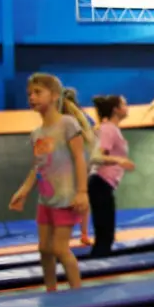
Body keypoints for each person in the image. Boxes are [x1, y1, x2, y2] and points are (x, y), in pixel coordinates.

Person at [9, 73, 94, 292]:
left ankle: (77, 293)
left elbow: (79, 158)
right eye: (29, 94)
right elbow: (38, 167)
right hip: (45, 200)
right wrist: (24, 190)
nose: (32, 97)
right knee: (44, 249)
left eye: (38, 92)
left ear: (54, 95)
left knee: (59, 248)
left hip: (65, 198)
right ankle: (51, 292)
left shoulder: (67, 123)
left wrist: (82, 191)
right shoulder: (37, 133)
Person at [88, 94, 135, 257]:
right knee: (105, 235)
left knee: (105, 234)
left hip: (103, 185)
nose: (127, 107)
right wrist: (120, 160)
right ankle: (97, 268)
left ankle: (97, 264)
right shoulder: (108, 128)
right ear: (116, 109)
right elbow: (96, 157)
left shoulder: (111, 128)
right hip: (100, 183)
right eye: (124, 104)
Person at [63, 87, 96, 246]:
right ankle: (84, 234)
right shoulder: (82, 116)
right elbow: (94, 131)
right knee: (84, 199)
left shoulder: (61, 119)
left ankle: (65, 233)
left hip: (69, 161)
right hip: (83, 160)